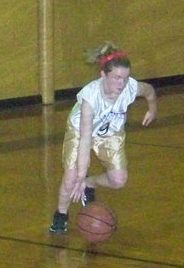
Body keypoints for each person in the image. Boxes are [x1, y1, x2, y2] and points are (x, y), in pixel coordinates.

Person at [49, 42, 156, 234]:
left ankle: (91, 183)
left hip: (110, 134)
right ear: (103, 75)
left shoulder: (130, 88)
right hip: (81, 132)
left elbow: (149, 91)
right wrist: (80, 175)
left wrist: (152, 109)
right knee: (71, 178)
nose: (121, 83)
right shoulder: (91, 97)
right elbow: (85, 140)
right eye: (116, 78)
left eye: (125, 77)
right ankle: (61, 214)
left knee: (118, 180)